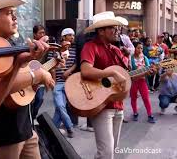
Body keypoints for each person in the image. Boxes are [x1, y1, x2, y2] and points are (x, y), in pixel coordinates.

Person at [0, 0, 54, 159]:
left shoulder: (13, 45)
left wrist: (48, 61)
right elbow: (5, 85)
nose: (15, 17)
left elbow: (29, 72)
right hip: (2, 137)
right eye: (9, 13)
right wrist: (39, 74)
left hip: (26, 130)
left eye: (14, 13)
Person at [80, 11, 128, 159]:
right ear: (101, 31)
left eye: (117, 28)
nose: (117, 30)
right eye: (113, 27)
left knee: (111, 150)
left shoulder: (117, 50)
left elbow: (126, 76)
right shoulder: (91, 46)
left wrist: (146, 72)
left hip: (118, 104)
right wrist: (111, 74)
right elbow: (85, 70)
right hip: (101, 104)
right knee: (106, 153)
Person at [49, 28, 76, 138]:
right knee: (60, 105)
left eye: (73, 35)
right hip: (58, 83)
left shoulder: (74, 50)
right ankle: (69, 127)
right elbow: (51, 67)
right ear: (63, 37)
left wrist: (69, 71)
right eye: (70, 35)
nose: (72, 37)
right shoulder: (54, 50)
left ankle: (51, 130)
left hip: (70, 83)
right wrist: (54, 83)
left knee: (60, 108)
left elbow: (76, 64)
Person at [130, 42, 156, 123]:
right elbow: (130, 70)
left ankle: (150, 115)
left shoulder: (145, 58)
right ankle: (135, 113)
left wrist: (153, 70)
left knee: (146, 98)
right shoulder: (131, 58)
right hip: (134, 81)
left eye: (141, 48)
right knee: (133, 97)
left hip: (142, 81)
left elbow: (149, 70)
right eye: (138, 48)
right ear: (134, 48)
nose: (140, 50)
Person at [31, 24, 47, 119]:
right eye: (40, 33)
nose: (42, 35)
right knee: (31, 100)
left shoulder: (46, 46)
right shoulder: (31, 46)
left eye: (43, 33)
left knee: (40, 99)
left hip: (40, 78)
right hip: (31, 77)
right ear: (34, 34)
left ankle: (33, 116)